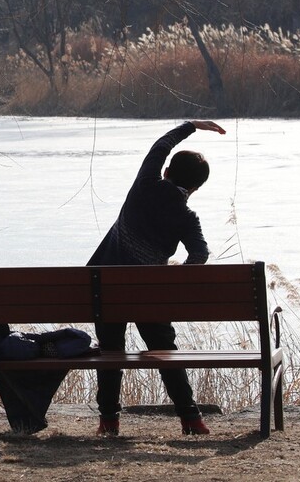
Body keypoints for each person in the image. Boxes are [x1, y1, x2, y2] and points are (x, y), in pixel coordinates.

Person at [88, 120, 227, 437]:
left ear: (166, 172)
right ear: (194, 189)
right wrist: (173, 277)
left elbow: (160, 147)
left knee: (111, 351)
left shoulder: (145, 185)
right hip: (149, 296)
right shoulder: (186, 217)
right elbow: (200, 255)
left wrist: (190, 126)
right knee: (164, 351)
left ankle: (109, 420)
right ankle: (191, 418)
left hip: (103, 289)